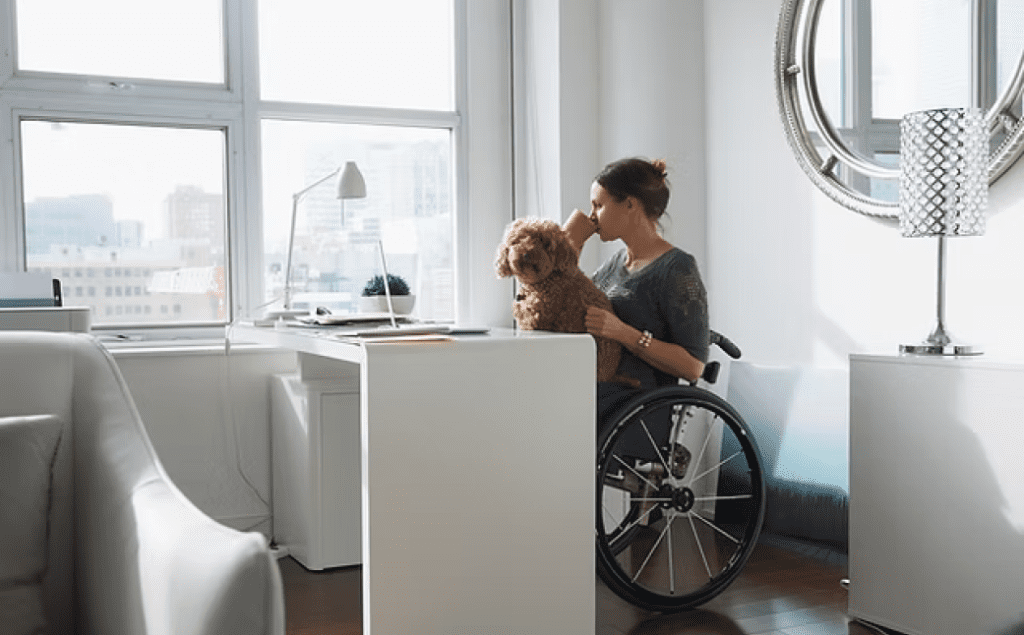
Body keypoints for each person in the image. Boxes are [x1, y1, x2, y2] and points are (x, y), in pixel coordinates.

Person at [563, 157, 710, 422]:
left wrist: (622, 333)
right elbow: (570, 302)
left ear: (629, 204)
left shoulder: (678, 268)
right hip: (599, 386)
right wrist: (571, 241)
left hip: (636, 403)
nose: (592, 215)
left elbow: (693, 367)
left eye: (598, 205)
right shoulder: (614, 264)